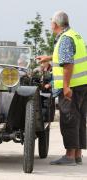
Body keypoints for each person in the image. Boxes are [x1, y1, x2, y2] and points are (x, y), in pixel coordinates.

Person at [36, 11, 87, 166]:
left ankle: (70, 156)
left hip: (71, 86)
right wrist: (50, 59)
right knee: (79, 118)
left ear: (55, 24)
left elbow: (68, 64)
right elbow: (69, 56)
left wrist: (65, 86)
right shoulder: (74, 35)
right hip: (82, 83)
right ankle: (78, 154)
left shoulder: (64, 39)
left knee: (69, 119)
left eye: (51, 22)